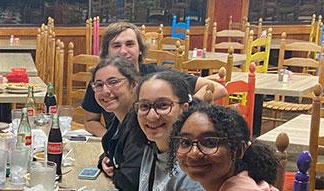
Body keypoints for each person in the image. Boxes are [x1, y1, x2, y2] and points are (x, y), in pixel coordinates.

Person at [80, 21, 226, 138]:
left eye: (130, 44)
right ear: (107, 52)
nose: (123, 51)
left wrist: (185, 111)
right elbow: (90, 120)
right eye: (116, 45)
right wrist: (113, 142)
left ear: (140, 49)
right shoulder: (101, 82)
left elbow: (219, 88)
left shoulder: (160, 78)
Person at [91, 56, 144, 191]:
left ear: (134, 85)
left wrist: (115, 171)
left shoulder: (141, 123)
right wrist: (105, 160)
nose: (105, 91)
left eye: (113, 82)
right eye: (99, 85)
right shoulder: (119, 119)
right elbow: (112, 151)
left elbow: (130, 183)